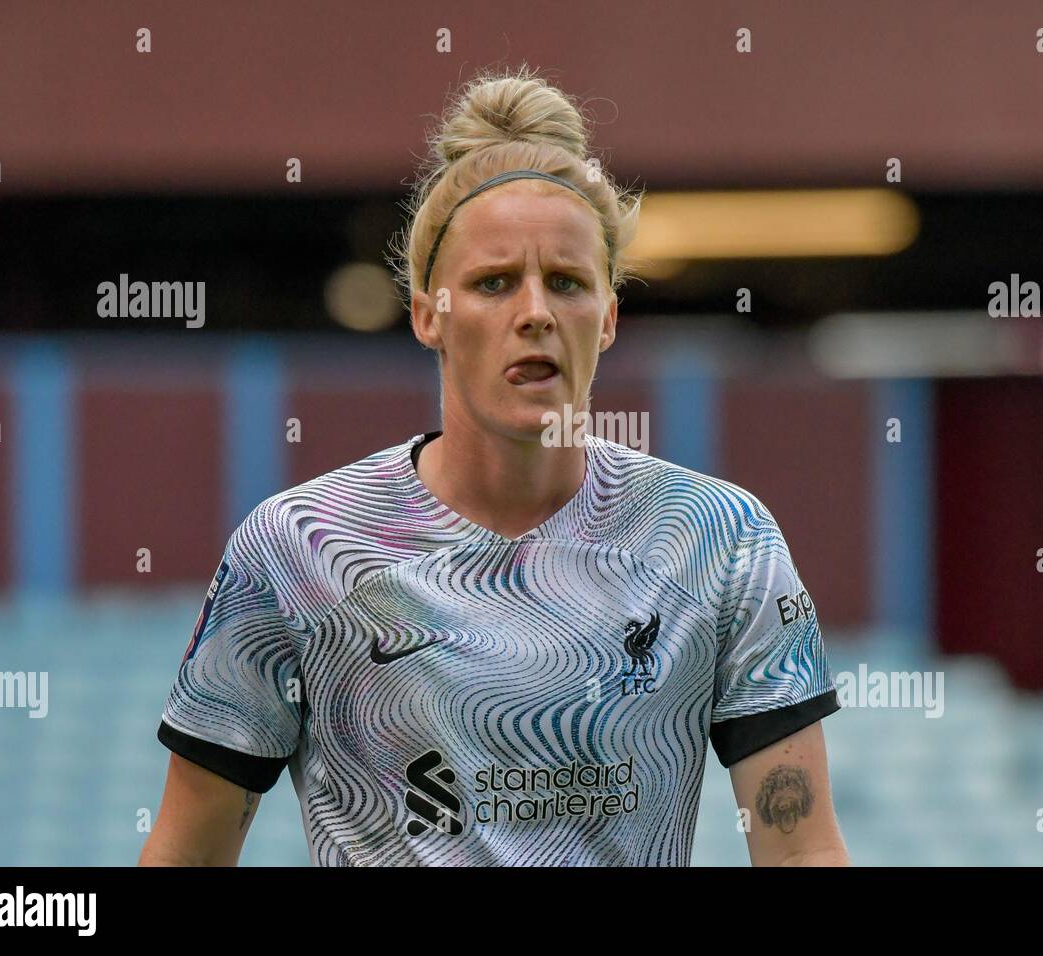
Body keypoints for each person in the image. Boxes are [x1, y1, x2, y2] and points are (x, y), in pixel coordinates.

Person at [139, 66, 847, 866]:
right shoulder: (296, 546)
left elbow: (801, 852)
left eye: (570, 283)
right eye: (494, 283)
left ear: (609, 317)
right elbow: (185, 853)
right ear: (427, 314)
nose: (536, 312)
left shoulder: (722, 540)